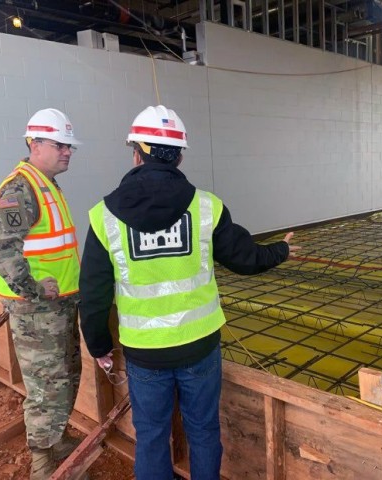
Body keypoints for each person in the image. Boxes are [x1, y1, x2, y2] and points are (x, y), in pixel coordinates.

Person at [79, 105, 299, 480]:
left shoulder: (104, 215)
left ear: (136, 152)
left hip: (145, 352)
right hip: (199, 346)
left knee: (151, 437)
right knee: (203, 431)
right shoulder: (206, 207)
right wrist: (281, 249)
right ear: (179, 156)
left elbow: (94, 293)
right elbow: (245, 258)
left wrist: (99, 346)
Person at [0, 108, 84, 480]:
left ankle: (55, 442)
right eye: (60, 144)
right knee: (46, 386)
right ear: (35, 143)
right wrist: (33, 288)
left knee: (65, 377)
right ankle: (43, 465)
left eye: (69, 146)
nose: (67, 152)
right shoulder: (21, 187)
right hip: (38, 311)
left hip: (57, 307)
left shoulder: (45, 183)